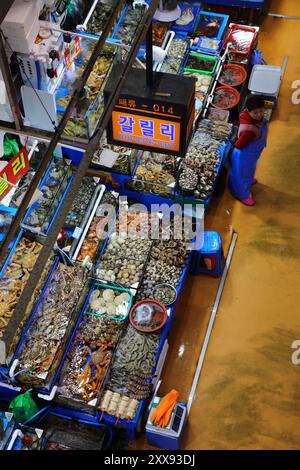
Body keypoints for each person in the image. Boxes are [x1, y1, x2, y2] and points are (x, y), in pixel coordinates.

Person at [228, 95, 268, 206]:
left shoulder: (258, 120)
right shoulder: (249, 130)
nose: (259, 114)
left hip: (251, 155)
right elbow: (239, 144)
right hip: (243, 155)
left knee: (250, 170)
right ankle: (242, 194)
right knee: (241, 175)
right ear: (249, 112)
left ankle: (249, 179)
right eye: (255, 112)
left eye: (261, 111)